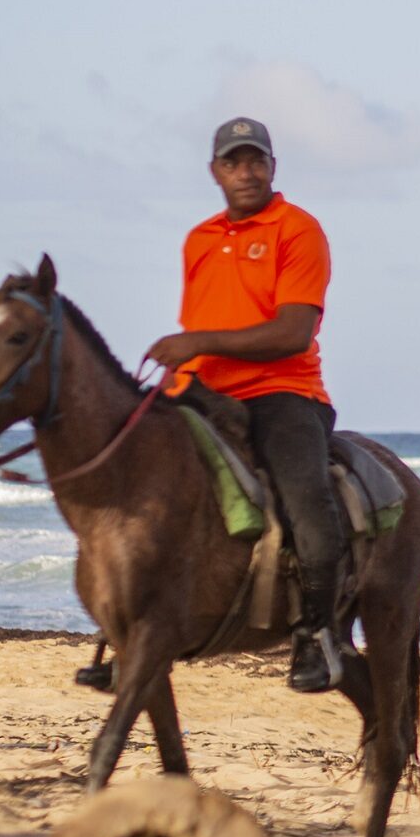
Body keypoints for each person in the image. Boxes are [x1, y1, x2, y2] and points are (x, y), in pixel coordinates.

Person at [146, 117, 346, 692]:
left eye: (256, 160)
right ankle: (129, 625)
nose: (246, 172)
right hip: (202, 391)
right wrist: (177, 376)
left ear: (273, 167)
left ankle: (318, 633)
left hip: (283, 392)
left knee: (307, 500)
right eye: (233, 162)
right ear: (215, 172)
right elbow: (202, 323)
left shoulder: (297, 229)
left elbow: (292, 332)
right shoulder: (199, 239)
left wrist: (197, 344)